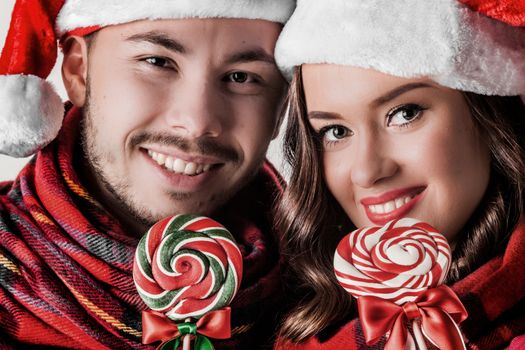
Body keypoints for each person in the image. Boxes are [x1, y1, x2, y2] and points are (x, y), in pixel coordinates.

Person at [0, 0, 294, 348]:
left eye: (241, 77)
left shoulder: (331, 289)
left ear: (280, 108)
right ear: (79, 71)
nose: (197, 123)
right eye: (158, 62)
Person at [273, 0, 525, 349]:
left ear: (484, 109)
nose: (367, 171)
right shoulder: (297, 330)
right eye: (336, 131)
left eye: (404, 113)